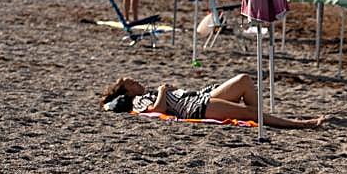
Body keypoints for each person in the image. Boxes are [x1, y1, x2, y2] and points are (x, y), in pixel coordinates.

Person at [100, 73, 329, 129]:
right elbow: (157, 111)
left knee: (244, 80)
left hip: (200, 96)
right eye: (131, 82)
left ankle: (264, 118)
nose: (136, 81)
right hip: (195, 107)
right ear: (126, 91)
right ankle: (300, 124)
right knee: (249, 113)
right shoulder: (138, 100)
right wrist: (162, 90)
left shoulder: (142, 93)